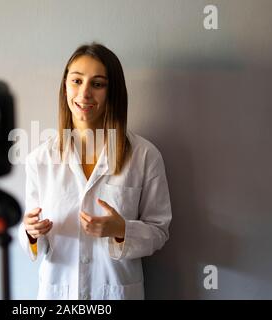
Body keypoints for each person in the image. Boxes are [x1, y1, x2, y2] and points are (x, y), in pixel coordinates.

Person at [18, 42, 172, 300]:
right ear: (65, 85)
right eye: (76, 81)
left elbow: (159, 231)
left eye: (97, 84)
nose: (84, 93)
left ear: (113, 92)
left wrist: (122, 230)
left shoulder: (145, 156)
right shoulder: (39, 160)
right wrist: (31, 233)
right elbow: (35, 244)